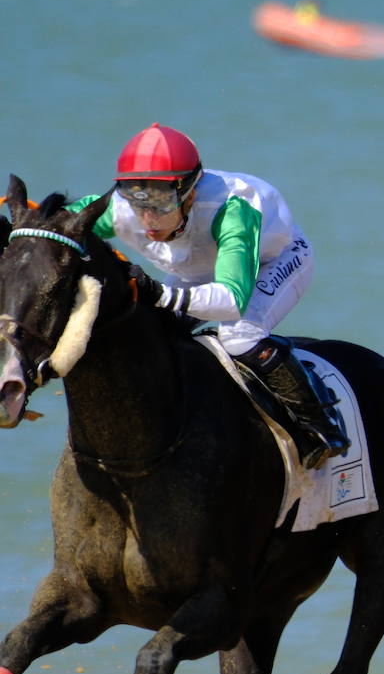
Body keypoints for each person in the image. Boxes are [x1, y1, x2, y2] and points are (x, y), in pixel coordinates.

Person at [70, 123, 350, 469]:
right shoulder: (121, 208)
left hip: (273, 262)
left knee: (239, 336)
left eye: (159, 202)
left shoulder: (233, 208)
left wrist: (160, 293)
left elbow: (232, 301)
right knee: (150, 331)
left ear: (189, 192)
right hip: (199, 270)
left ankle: (321, 427)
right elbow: (60, 228)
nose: (147, 218)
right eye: (135, 199)